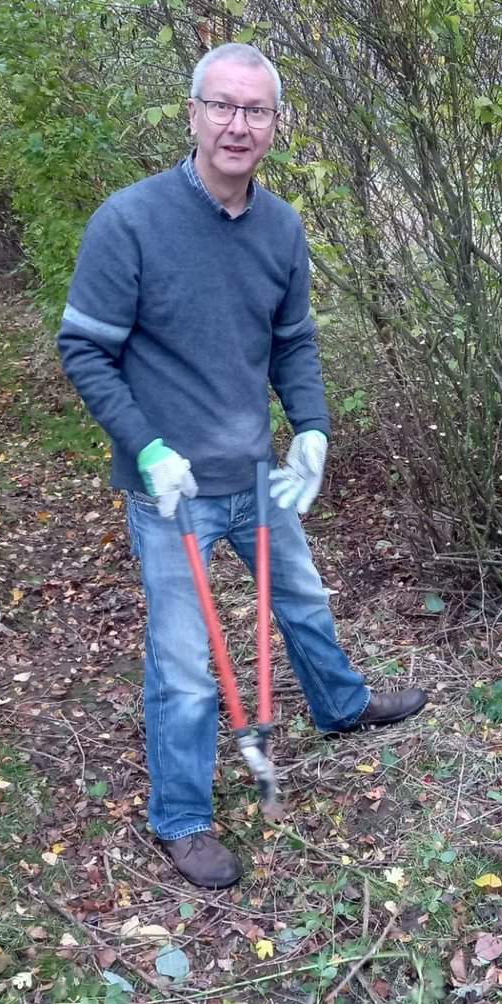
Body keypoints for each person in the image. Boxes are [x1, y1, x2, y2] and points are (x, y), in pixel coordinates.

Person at [58, 43, 428, 889]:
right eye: (221, 106)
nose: (237, 124)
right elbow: (84, 348)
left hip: (257, 477)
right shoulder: (130, 220)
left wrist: (313, 431)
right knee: (187, 662)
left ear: (274, 126)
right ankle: (183, 818)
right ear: (191, 114)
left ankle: (340, 706)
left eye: (254, 111)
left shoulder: (282, 227)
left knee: (301, 597)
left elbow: (291, 341)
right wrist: (145, 447)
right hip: (172, 492)